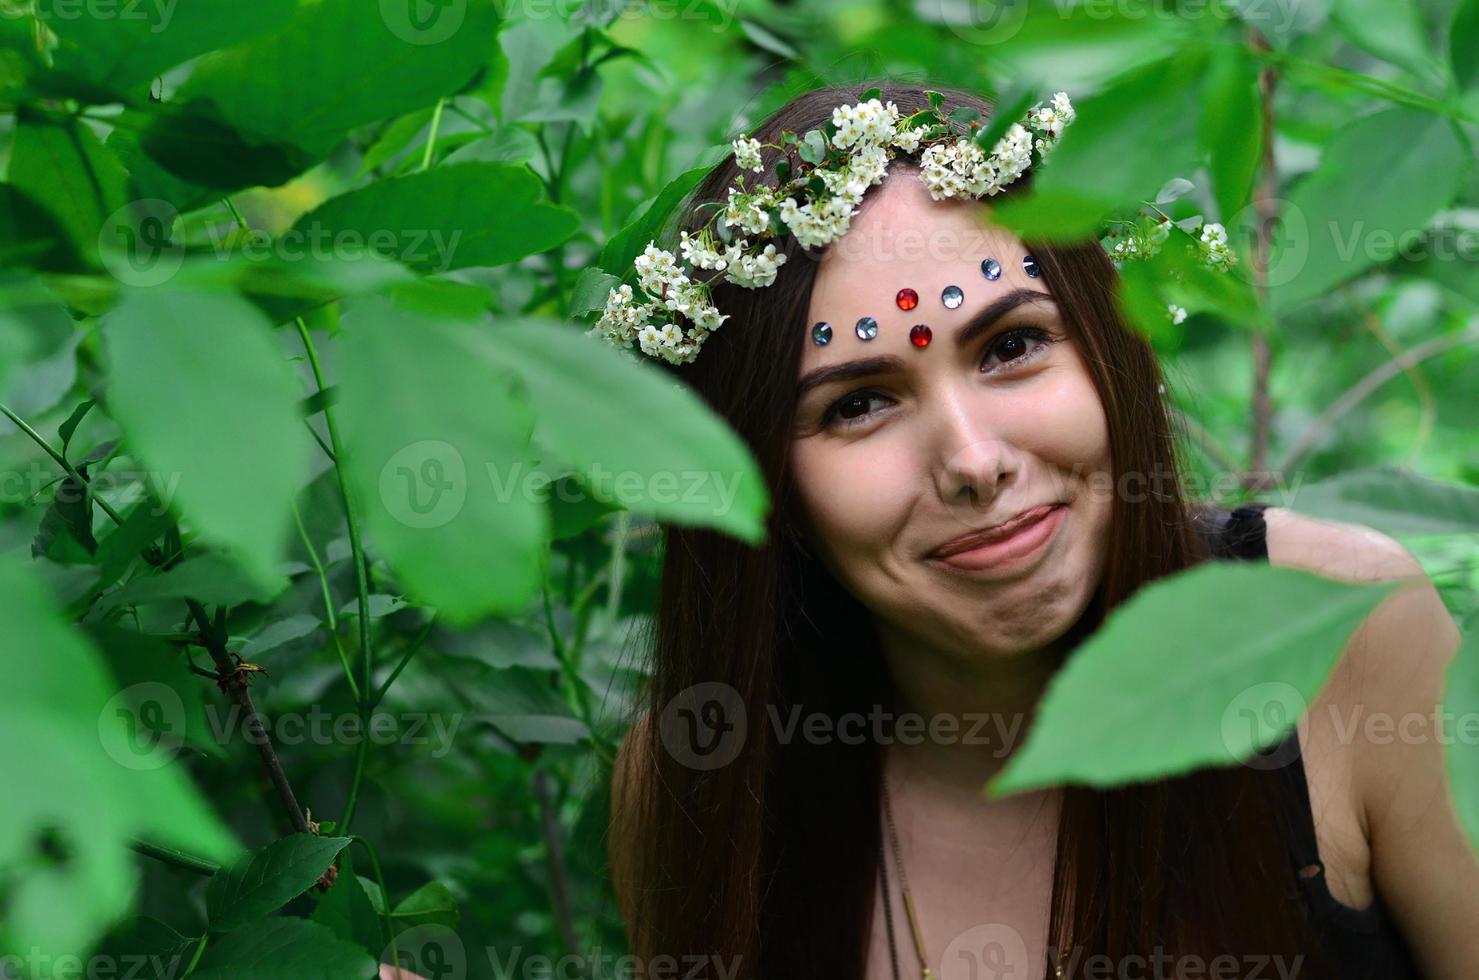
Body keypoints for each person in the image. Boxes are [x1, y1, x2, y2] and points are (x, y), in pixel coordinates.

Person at [603, 82, 1478, 979]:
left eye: (1012, 347)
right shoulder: (701, 769)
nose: (974, 462)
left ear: (1110, 340)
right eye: (857, 404)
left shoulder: (1334, 629)